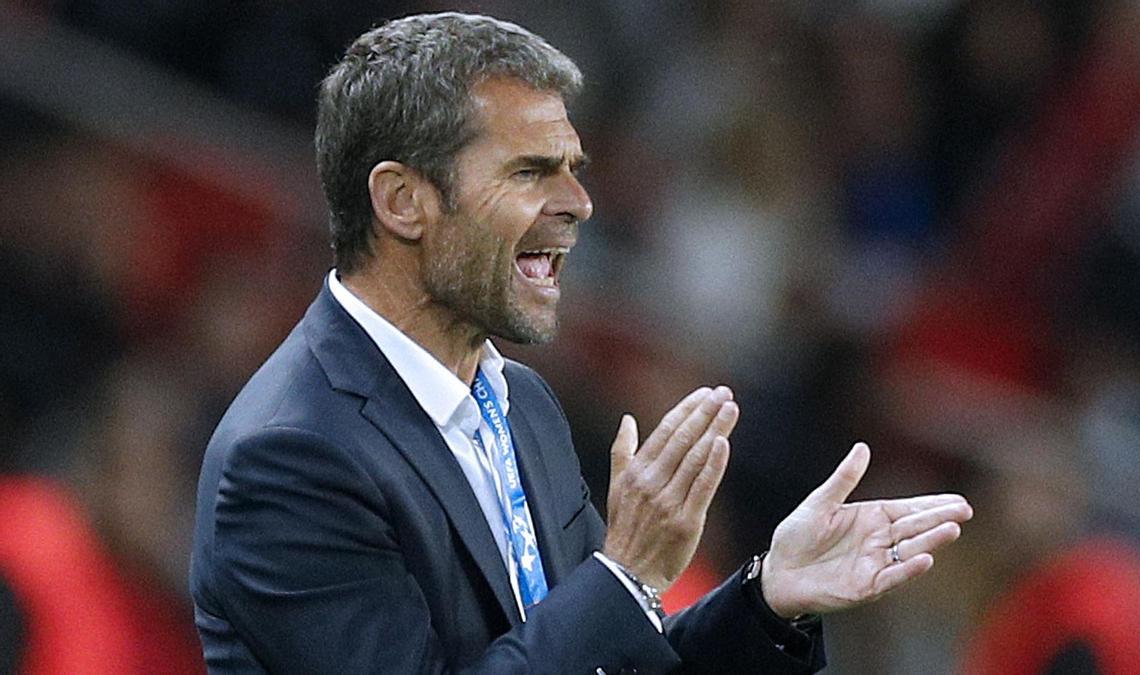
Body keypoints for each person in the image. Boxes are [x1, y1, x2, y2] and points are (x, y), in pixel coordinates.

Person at [190, 12, 973, 674]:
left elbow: (611, 658)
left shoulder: (520, 404)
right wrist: (624, 572)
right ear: (403, 200)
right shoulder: (291, 455)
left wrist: (766, 600)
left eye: (573, 168)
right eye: (532, 172)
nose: (579, 203)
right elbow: (601, 615)